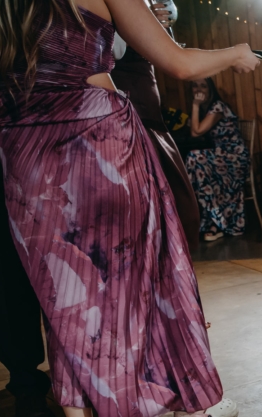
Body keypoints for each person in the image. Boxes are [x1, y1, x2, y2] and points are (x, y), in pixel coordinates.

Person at [0, 0, 259, 417]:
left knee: (62, 292)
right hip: (99, 144)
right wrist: (234, 53)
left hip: (23, 153)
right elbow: (179, 63)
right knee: (152, 271)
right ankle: (193, 408)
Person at [0, 89, 56, 417]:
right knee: (6, 273)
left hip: (46, 130)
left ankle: (84, 377)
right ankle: (26, 387)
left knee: (67, 271)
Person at [111, 2, 201, 252]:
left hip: (152, 116)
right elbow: (113, 50)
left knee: (183, 213)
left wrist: (164, 22)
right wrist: (140, 23)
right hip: (125, 115)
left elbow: (166, 46)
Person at [184, 78, 249, 242]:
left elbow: (195, 132)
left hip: (234, 157)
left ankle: (208, 219)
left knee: (194, 158)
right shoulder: (206, 111)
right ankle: (210, 219)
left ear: (211, 89)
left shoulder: (218, 107)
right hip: (219, 156)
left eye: (203, 86)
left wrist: (195, 105)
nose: (199, 89)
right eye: (195, 85)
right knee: (197, 166)